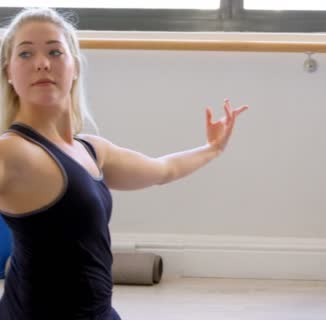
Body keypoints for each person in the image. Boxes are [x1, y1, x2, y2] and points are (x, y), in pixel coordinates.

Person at [0, 7, 248, 320]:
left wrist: (213, 148)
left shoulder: (91, 150)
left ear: (74, 66)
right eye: (25, 54)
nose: (42, 63)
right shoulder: (10, 151)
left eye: (54, 51)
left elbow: (162, 170)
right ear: (8, 71)